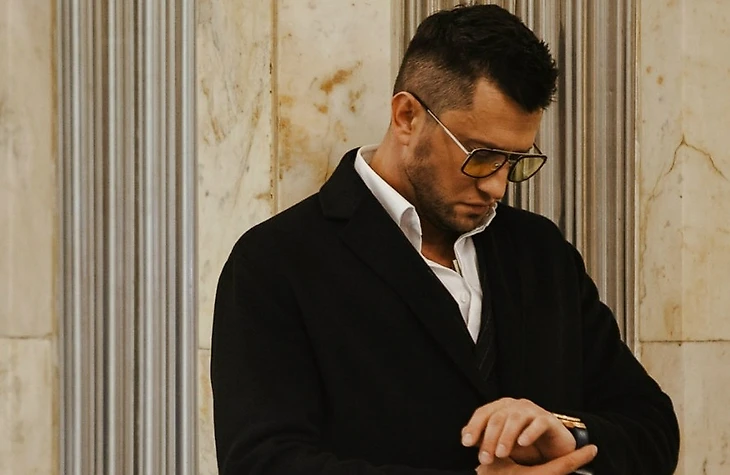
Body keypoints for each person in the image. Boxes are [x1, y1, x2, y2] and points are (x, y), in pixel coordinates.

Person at [210, 4, 680, 474]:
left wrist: (567, 432)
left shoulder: (542, 252)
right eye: (481, 156)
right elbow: (262, 463)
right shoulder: (276, 262)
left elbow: (653, 428)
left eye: (515, 161)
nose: (497, 186)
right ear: (407, 116)